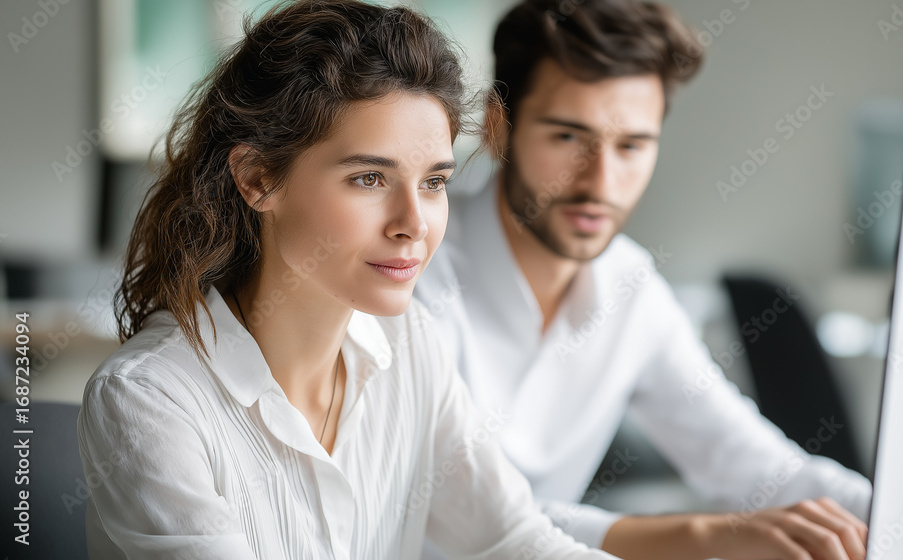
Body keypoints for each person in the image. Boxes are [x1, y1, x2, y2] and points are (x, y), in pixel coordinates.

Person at [76, 1, 618, 558]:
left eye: (434, 182)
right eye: (369, 178)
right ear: (257, 178)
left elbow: (511, 538)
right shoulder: (150, 399)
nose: (414, 224)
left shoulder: (411, 345)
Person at [415, 1, 872, 559]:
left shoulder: (628, 285)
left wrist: (899, 511)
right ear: (497, 126)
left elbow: (754, 464)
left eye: (632, 145)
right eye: (567, 137)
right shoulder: (414, 267)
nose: (601, 182)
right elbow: (463, 517)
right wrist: (704, 535)